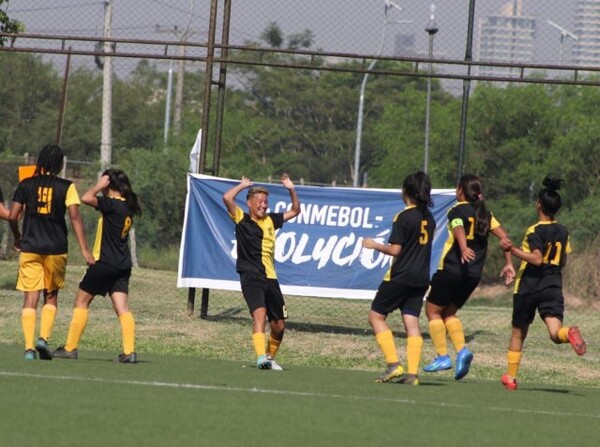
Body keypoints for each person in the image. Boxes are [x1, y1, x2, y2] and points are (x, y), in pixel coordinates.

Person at [422, 174, 515, 380]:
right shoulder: (486, 215)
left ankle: (443, 356)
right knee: (449, 314)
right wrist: (508, 263)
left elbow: (457, 226)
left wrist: (463, 247)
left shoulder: (456, 210)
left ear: (461, 191)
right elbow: (505, 239)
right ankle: (462, 351)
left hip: (453, 268)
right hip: (472, 275)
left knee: (432, 311)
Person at [8, 144, 95, 360]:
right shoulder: (67, 186)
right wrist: (85, 249)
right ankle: (43, 339)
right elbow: (75, 217)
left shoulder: (26, 184)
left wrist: (18, 236)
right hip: (56, 248)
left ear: (40, 162)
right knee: (51, 294)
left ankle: (29, 348)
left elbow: (12, 216)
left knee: (30, 297)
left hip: (30, 248)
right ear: (59, 164)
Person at [499, 176, 585, 391]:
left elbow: (537, 259)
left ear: (539, 204)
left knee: (518, 333)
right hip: (553, 284)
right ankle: (569, 334)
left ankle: (511, 377)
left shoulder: (534, 230)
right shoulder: (563, 231)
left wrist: (513, 250)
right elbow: (562, 260)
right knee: (556, 333)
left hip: (529, 285)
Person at [52, 169, 142, 363]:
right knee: (122, 308)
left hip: (104, 263)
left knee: (81, 302)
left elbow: (85, 197)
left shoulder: (112, 204)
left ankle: (70, 348)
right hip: (122, 265)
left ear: (109, 184)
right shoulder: (127, 207)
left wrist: (100, 186)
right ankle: (129, 352)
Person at [362, 172, 436, 385]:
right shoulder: (429, 218)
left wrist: (374, 245)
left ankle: (393, 364)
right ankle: (412, 375)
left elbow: (395, 250)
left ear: (407, 193)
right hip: (421, 278)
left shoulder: (403, 217)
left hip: (400, 276)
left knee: (376, 317)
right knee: (412, 323)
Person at [222, 174, 300, 370]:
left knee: (279, 327)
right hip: (250, 276)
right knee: (260, 316)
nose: (263, 205)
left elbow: (296, 210)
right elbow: (226, 198)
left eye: (266, 202)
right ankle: (260, 359)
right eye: (259, 202)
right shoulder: (242, 219)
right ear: (249, 203)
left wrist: (291, 189)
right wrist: (242, 185)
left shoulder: (272, 220)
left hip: (271, 278)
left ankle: (269, 358)